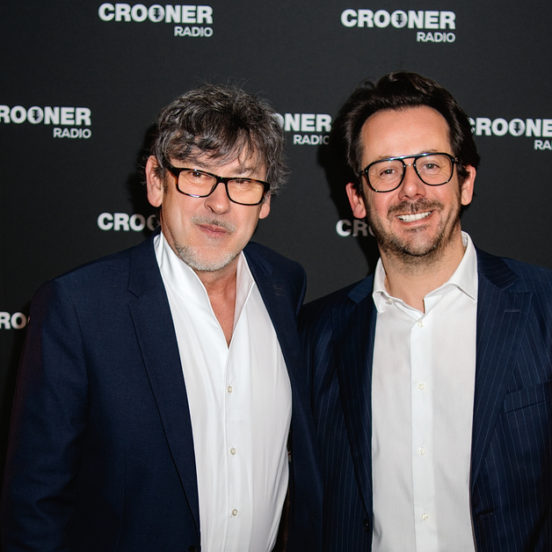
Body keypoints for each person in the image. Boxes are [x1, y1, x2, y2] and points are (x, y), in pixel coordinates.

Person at [2, 84, 321, 552]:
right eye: (197, 173)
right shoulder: (78, 308)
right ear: (156, 180)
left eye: (242, 181)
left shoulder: (284, 284)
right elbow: (35, 507)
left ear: (266, 199)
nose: (219, 203)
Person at [301, 72, 552, 551]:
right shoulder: (317, 336)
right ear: (357, 198)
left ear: (465, 182)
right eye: (386, 170)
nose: (411, 189)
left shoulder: (545, 308)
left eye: (431, 165)